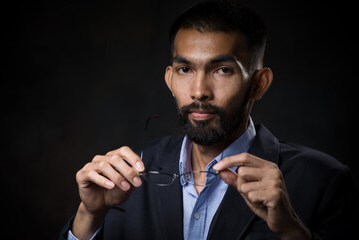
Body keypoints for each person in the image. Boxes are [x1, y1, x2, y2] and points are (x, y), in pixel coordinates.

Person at [59, 0, 359, 239]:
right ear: (169, 79)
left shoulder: (324, 181)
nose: (199, 92)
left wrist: (293, 232)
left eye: (223, 70)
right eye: (185, 70)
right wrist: (89, 214)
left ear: (259, 83)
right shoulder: (124, 177)